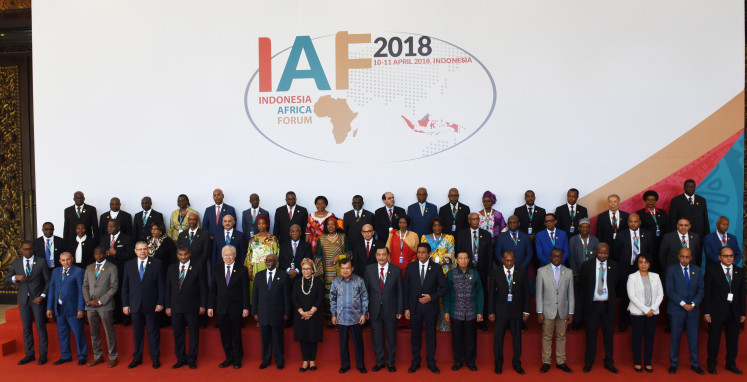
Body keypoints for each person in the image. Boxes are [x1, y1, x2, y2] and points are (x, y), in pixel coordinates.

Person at [404, 243, 447, 374]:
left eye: (423, 252)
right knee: (415, 336)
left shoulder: (436, 268)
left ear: (429, 254)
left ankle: (431, 362)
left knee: (431, 336)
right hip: (415, 308)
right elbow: (406, 289)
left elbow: (444, 288)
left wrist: (432, 297)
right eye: (419, 252)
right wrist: (406, 308)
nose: (420, 254)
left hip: (430, 307)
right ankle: (415, 362)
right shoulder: (410, 267)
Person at [4, 241, 49, 365]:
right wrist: (15, 278)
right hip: (24, 300)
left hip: (37, 300)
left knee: (40, 327)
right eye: (25, 249)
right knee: (26, 328)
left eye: (29, 249)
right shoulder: (16, 263)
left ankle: (43, 354)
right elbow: (6, 280)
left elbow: (48, 281)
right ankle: (30, 354)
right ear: (21, 250)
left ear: (33, 249)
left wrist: (42, 296)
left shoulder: (41, 262)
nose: (27, 251)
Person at [121, 242, 164, 369]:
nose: (142, 251)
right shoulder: (128, 265)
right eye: (139, 249)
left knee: (153, 333)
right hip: (134, 305)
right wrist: (125, 304)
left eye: (145, 249)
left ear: (149, 250)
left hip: (151, 305)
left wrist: (160, 302)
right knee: (137, 333)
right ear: (135, 251)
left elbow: (161, 285)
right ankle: (137, 357)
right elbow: (125, 287)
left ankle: (155, 358)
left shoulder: (157, 263)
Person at [703, 247, 746, 375]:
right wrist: (706, 312)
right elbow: (707, 293)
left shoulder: (739, 271)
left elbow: (742, 293)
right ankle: (711, 364)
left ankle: (731, 364)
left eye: (731, 256)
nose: (729, 258)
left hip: (734, 312)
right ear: (719, 257)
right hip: (716, 312)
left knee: (733, 340)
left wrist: (743, 312)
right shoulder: (712, 270)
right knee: (714, 340)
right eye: (726, 256)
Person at [207, 245, 250, 369]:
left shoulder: (242, 269)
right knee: (224, 335)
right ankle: (229, 357)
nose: (228, 257)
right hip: (221, 308)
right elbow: (212, 291)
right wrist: (210, 307)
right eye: (226, 255)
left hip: (236, 308)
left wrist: (245, 307)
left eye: (230, 255)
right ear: (222, 256)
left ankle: (237, 359)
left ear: (235, 256)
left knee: (236, 334)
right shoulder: (217, 269)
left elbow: (245, 291)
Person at [165, 246, 207, 369]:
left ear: (189, 254)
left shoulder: (198, 266)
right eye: (180, 255)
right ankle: (180, 358)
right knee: (178, 334)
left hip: (192, 306)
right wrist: (167, 306)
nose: (183, 257)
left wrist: (203, 305)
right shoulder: (171, 267)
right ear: (177, 255)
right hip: (175, 307)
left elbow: (203, 287)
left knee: (194, 334)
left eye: (185, 254)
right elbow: (168, 288)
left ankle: (192, 359)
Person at [488, 251, 529, 375]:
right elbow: (491, 294)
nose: (509, 263)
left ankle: (517, 363)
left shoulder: (521, 271)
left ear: (515, 259)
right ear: (502, 260)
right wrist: (491, 311)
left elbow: (526, 293)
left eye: (511, 260)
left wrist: (526, 310)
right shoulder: (496, 271)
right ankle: (498, 364)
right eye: (507, 260)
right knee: (498, 339)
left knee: (517, 339)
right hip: (500, 310)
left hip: (516, 310)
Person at [580, 243, 619, 374]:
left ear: (609, 253)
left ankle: (609, 362)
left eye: (606, 253)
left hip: (608, 306)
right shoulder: (587, 265)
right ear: (596, 252)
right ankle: (589, 362)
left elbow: (616, 285)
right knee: (591, 336)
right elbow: (582, 287)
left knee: (609, 336)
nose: (603, 255)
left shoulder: (614, 265)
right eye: (601, 252)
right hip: (593, 306)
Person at [665, 248, 704, 375]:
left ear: (691, 258)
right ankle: (673, 364)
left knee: (693, 338)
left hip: (693, 310)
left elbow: (701, 290)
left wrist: (692, 304)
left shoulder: (697, 270)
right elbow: (670, 290)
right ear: (678, 256)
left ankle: (695, 364)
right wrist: (683, 304)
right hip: (677, 309)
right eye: (683, 257)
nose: (685, 259)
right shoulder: (671, 270)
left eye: (687, 257)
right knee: (675, 338)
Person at [364, 247, 403, 373]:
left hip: (391, 309)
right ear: (375, 256)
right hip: (374, 310)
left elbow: (400, 292)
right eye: (379, 255)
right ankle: (380, 362)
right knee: (376, 338)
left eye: (384, 255)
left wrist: (399, 310)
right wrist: (366, 310)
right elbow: (365, 292)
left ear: (388, 255)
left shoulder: (396, 270)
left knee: (391, 338)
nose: (381, 257)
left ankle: (391, 363)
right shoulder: (369, 269)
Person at [444, 251, 484, 371]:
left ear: (468, 260)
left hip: (471, 312)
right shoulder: (451, 274)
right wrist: (446, 311)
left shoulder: (475, 274)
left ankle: (471, 361)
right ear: (456, 260)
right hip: (455, 312)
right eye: (460, 258)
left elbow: (480, 293)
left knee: (471, 338)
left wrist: (480, 311)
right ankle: (458, 361)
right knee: (457, 338)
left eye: (465, 258)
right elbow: (446, 294)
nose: (463, 260)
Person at [613, 213, 653, 331]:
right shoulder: (621, 235)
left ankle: (641, 321)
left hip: (643, 269)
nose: (633, 223)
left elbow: (651, 252)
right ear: (628, 222)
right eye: (631, 221)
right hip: (626, 269)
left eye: (636, 221)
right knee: (626, 296)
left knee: (642, 295)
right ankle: (624, 322)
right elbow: (616, 253)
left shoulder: (648, 234)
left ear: (640, 222)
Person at [536, 249, 574, 373]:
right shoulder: (541, 271)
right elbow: (539, 294)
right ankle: (546, 361)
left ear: (562, 257)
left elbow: (571, 294)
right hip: (547, 310)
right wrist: (540, 311)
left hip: (563, 310)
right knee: (547, 336)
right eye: (554, 256)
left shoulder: (568, 272)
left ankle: (561, 361)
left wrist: (571, 312)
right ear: (550, 257)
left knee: (561, 336)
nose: (556, 258)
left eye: (559, 256)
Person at [45, 252, 87, 365]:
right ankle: (65, 355)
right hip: (59, 308)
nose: (66, 262)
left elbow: (81, 292)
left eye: (68, 259)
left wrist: (80, 309)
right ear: (59, 261)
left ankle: (82, 355)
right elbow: (52, 290)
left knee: (78, 333)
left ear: (72, 259)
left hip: (73, 309)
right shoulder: (55, 271)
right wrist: (49, 307)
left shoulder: (78, 272)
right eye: (63, 260)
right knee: (62, 333)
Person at [252, 253, 291, 370]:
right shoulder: (258, 276)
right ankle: (266, 360)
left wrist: (286, 313)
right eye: (267, 260)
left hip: (277, 313)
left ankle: (279, 360)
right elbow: (255, 296)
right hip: (263, 313)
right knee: (265, 338)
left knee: (278, 338)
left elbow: (286, 296)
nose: (268, 261)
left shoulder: (283, 276)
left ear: (276, 262)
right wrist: (254, 312)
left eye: (271, 260)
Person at [83, 246, 119, 368]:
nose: (98, 256)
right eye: (96, 254)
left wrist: (100, 301)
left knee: (109, 332)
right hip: (90, 305)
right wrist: (88, 301)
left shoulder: (112, 267)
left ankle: (113, 357)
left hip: (105, 305)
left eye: (101, 254)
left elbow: (114, 287)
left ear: (105, 254)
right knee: (94, 332)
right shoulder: (89, 267)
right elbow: (85, 286)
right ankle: (98, 356)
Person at [330, 258, 368, 374]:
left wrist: (363, 314)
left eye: (347, 268)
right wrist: (333, 315)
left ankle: (361, 365)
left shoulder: (359, 280)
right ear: (340, 269)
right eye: (343, 268)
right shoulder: (336, 281)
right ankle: (345, 365)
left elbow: (364, 298)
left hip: (356, 317)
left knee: (358, 343)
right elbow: (332, 299)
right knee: (343, 344)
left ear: (352, 269)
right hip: (341, 318)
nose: (345, 271)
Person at [627, 253, 663, 372]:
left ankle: (648, 362)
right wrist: (646, 309)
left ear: (650, 264)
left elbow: (660, 294)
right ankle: (637, 362)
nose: (643, 264)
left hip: (652, 313)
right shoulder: (632, 277)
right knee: (637, 338)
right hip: (637, 313)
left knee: (649, 338)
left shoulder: (656, 276)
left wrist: (652, 308)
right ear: (637, 264)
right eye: (641, 262)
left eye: (646, 262)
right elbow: (632, 296)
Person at [456, 213, 492, 331]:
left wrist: (489, 273)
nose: (476, 221)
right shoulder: (462, 234)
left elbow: (490, 255)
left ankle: (482, 320)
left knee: (482, 294)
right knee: (468, 293)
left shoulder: (486, 234)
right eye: (473, 219)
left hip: (482, 270)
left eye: (477, 219)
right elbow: (459, 252)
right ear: (469, 221)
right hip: (467, 269)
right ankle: (469, 319)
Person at [421, 217, 455, 331]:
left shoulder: (449, 238)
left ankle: (445, 324)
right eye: (435, 225)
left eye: (439, 225)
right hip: (430, 273)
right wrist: (434, 266)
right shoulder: (424, 238)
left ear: (442, 226)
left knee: (445, 297)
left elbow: (451, 255)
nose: (437, 227)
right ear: (432, 226)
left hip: (445, 272)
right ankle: (431, 324)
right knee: (431, 297)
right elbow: (424, 253)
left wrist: (440, 264)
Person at [316, 216, 350, 326]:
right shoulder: (321, 239)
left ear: (337, 226)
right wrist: (320, 273)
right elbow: (318, 257)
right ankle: (330, 318)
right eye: (328, 224)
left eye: (333, 224)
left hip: (341, 271)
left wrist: (339, 257)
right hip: (327, 272)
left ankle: (341, 317)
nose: (330, 226)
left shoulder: (343, 237)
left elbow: (350, 253)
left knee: (341, 295)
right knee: (329, 296)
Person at [98, 219, 133, 324]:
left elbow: (131, 256)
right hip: (107, 272)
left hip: (121, 271)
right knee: (111, 295)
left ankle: (126, 318)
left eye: (111, 226)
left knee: (122, 294)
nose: (109, 229)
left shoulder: (127, 239)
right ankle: (116, 316)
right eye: (108, 226)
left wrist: (116, 253)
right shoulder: (104, 238)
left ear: (118, 227)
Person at [292, 258, 323, 372]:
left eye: (308, 269)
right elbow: (294, 298)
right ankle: (305, 361)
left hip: (314, 315)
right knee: (303, 338)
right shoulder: (297, 282)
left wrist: (310, 312)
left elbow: (320, 298)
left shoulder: (318, 281)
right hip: (300, 315)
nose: (306, 271)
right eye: (304, 269)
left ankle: (313, 361)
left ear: (312, 269)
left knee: (313, 338)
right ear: (301, 269)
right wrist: (302, 312)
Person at [568, 218, 598, 330]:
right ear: (579, 228)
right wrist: (576, 274)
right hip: (577, 275)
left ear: (590, 228)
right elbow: (571, 258)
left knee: (590, 297)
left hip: (591, 275)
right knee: (578, 297)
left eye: (587, 227)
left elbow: (597, 258)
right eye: (582, 227)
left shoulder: (595, 240)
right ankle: (577, 320)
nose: (585, 229)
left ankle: (588, 320)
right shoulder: (573, 240)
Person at [243, 216, 278, 301]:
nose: (261, 225)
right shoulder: (253, 239)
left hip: (268, 268)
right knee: (255, 291)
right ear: (257, 225)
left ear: (267, 225)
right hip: (255, 268)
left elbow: (277, 254)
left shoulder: (273, 239)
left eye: (263, 223)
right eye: (259, 224)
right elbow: (249, 255)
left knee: (268, 290)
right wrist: (249, 270)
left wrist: (275, 269)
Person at [636, 190, 668, 255]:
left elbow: (666, 226)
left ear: (656, 200)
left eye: (653, 200)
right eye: (648, 200)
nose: (651, 202)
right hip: (647, 242)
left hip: (661, 241)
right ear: (645, 200)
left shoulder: (662, 212)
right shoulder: (640, 213)